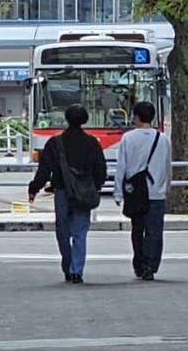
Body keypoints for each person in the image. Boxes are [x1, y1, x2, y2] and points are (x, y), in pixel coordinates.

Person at [27, 104, 107, 284]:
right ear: (85, 120)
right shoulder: (92, 143)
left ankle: (67, 264)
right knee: (80, 232)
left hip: (62, 191)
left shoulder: (55, 143)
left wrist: (34, 188)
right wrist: (96, 186)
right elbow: (100, 169)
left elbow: (44, 170)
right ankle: (76, 270)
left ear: (67, 119)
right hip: (84, 193)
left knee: (63, 231)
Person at [114, 101, 173, 280]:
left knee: (137, 229)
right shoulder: (163, 139)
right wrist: (167, 186)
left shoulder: (128, 138)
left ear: (136, 117)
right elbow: (167, 166)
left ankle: (139, 264)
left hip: (135, 192)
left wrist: (118, 192)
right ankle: (151, 266)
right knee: (155, 231)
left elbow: (121, 167)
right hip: (156, 191)